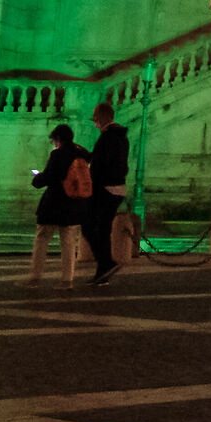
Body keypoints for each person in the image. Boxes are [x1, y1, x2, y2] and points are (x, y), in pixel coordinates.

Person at [28, 123, 88, 287]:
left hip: (54, 204)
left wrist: (37, 178)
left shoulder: (57, 155)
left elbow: (49, 177)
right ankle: (67, 279)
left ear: (58, 139)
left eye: (54, 140)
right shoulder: (81, 154)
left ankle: (35, 276)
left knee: (42, 238)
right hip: (74, 204)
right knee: (68, 242)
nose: (54, 143)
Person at [82, 102, 130, 287]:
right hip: (117, 188)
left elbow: (102, 164)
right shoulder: (119, 136)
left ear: (101, 119)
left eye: (95, 120)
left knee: (90, 226)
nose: (94, 124)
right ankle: (104, 267)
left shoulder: (108, 137)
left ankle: (106, 263)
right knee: (102, 228)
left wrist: (91, 183)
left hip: (105, 189)